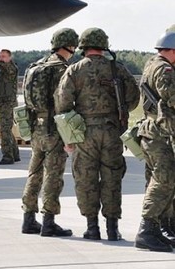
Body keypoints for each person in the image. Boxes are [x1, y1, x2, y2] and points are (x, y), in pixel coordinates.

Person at [55, 27, 139, 241]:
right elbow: (133, 97)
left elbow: (63, 104)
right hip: (112, 131)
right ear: (104, 45)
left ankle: (92, 227)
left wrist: (69, 138)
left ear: (83, 46)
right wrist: (119, 111)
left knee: (85, 178)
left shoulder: (74, 70)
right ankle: (112, 228)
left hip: (84, 132)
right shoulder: (117, 69)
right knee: (112, 177)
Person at [20, 28, 78, 237]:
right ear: (70, 45)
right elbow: (64, 102)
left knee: (34, 173)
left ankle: (28, 219)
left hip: (37, 126)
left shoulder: (37, 66)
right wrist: (69, 134)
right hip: (55, 129)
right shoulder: (62, 69)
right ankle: (48, 221)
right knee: (53, 175)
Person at [134, 30, 175, 252]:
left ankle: (157, 228)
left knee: (160, 180)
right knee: (164, 179)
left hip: (152, 131)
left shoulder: (152, 63)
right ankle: (147, 229)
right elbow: (172, 96)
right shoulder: (164, 69)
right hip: (159, 133)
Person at [0, 49, 20, 165]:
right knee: (7, 128)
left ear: (10, 58)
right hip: (3, 102)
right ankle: (15, 154)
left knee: (5, 130)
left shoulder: (11, 68)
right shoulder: (2, 71)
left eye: (4, 56)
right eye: (0, 57)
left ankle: (7, 156)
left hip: (8, 103)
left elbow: (8, 69)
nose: (2, 58)